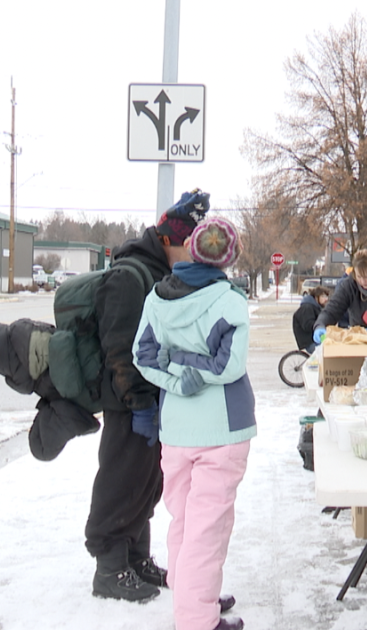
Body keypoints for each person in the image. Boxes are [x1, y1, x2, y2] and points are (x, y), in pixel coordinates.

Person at [87, 190, 208, 602]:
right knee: (121, 481)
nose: (192, 257)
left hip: (155, 399)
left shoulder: (160, 273)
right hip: (128, 403)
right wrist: (138, 403)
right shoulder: (129, 275)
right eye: (188, 247)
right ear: (168, 240)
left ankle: (136, 557)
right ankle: (109, 569)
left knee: (146, 483)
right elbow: (119, 348)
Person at [133, 217, 254, 630]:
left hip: (177, 429)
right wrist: (197, 370)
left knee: (185, 521)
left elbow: (144, 356)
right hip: (222, 427)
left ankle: (193, 595)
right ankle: (197, 618)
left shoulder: (157, 297)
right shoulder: (230, 301)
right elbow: (229, 365)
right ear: (229, 257)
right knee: (209, 525)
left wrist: (176, 376)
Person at [292, 286, 331, 352]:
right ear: (316, 297)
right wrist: (320, 326)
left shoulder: (316, 307)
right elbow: (308, 325)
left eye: (327, 296)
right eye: (323, 296)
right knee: (327, 351)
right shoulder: (307, 307)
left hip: (314, 339)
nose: (326, 299)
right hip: (309, 341)